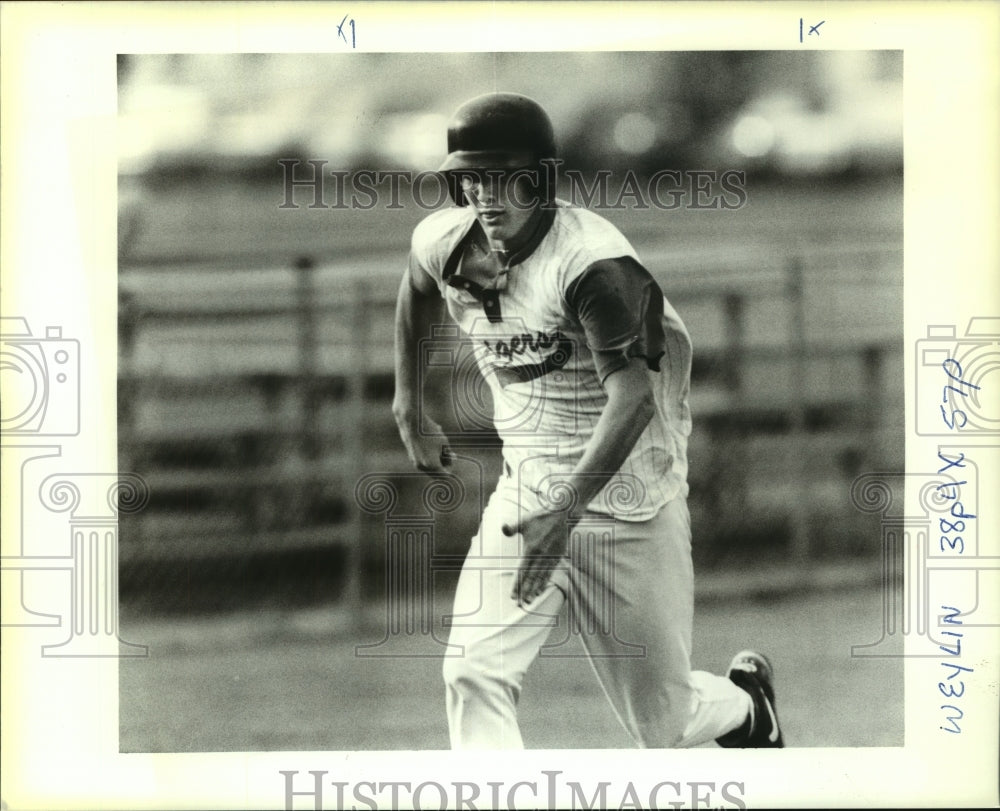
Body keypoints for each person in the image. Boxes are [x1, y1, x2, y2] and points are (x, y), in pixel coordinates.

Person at [392, 91, 784, 750]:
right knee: (471, 671)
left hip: (629, 498)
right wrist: (409, 400)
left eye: (505, 177)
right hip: (529, 494)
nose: (488, 195)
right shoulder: (445, 240)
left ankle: (748, 708)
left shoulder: (593, 266)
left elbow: (632, 396)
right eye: (473, 178)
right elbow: (416, 290)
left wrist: (568, 508)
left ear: (541, 180)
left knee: (665, 722)